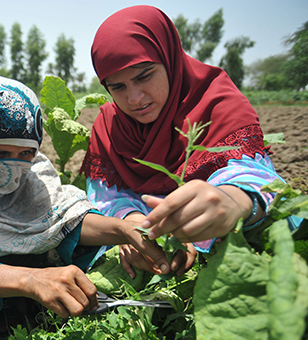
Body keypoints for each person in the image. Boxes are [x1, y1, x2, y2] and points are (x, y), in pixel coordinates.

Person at [0, 76, 172, 338]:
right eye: (0, 154)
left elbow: (63, 219)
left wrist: (124, 229)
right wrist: (30, 280)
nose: (14, 166)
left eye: (25, 154)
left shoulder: (34, 169)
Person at [81, 5, 298, 278]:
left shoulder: (218, 104)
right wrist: (132, 224)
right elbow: (106, 197)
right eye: (118, 87)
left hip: (228, 241)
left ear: (170, 59)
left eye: (144, 76)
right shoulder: (108, 127)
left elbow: (253, 176)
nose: (134, 98)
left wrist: (232, 201)